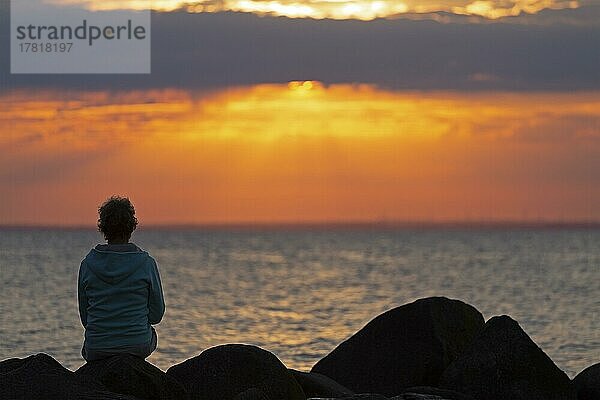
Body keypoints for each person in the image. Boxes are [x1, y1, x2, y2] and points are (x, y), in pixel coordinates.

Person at [78, 196, 165, 361]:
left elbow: (85, 317)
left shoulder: (87, 264)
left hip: (97, 347)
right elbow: (156, 315)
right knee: (152, 334)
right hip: (137, 345)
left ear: (103, 228)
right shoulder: (146, 263)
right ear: (131, 227)